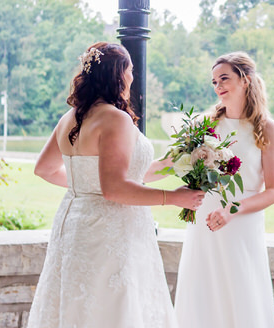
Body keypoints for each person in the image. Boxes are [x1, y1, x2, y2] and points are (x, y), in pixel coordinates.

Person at [27, 42, 204, 328]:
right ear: (119, 74)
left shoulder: (69, 118)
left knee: (80, 306)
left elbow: (44, 170)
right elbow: (115, 189)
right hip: (111, 231)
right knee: (111, 308)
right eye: (131, 69)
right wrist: (174, 198)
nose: (133, 76)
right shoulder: (115, 119)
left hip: (75, 224)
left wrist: (183, 159)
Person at [174, 51, 274, 328]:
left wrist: (232, 210)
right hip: (204, 220)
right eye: (214, 81)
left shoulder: (267, 129)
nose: (218, 86)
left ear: (245, 80)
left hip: (240, 223)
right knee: (201, 292)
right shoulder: (204, 124)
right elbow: (180, 165)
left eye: (224, 78)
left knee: (241, 292)